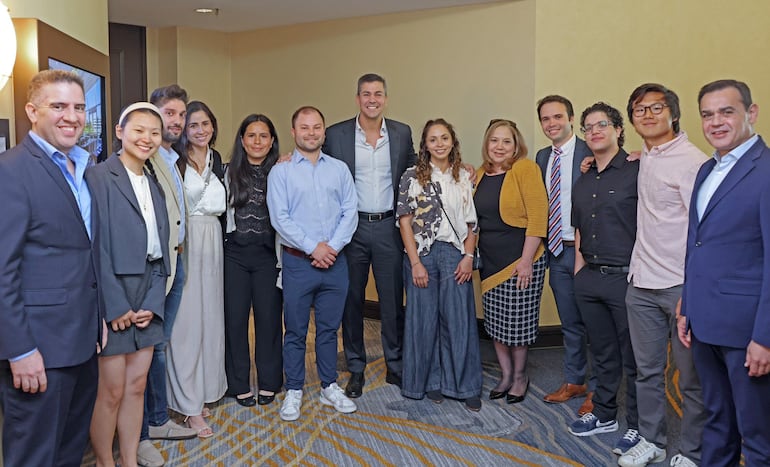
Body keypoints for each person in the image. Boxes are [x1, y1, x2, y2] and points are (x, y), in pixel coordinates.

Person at [0, 69, 103, 466]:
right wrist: (20, 350)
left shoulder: (83, 167)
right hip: (38, 349)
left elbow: (83, 252)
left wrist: (98, 319)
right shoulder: (10, 170)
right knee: (35, 457)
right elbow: (3, 270)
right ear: (32, 111)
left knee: (69, 453)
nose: (71, 117)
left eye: (78, 107)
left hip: (82, 341)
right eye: (58, 106)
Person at [678, 79, 770, 466]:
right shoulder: (706, 169)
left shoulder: (765, 171)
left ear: (751, 113)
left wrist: (765, 337)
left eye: (726, 112)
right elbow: (697, 243)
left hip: (747, 331)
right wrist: (687, 305)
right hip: (704, 323)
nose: (715, 122)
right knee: (717, 421)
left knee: (758, 434)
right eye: (707, 114)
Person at [617, 84, 707, 467]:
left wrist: (694, 290)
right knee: (647, 372)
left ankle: (692, 452)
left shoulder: (694, 163)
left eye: (657, 107)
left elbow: (704, 232)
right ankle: (651, 441)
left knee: (691, 379)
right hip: (641, 284)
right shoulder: (647, 157)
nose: (648, 115)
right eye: (640, 109)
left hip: (681, 287)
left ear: (673, 113)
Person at [86, 102, 170, 467]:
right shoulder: (99, 177)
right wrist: (115, 304)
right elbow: (95, 246)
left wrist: (153, 300)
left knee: (137, 386)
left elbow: (162, 247)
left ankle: (130, 459)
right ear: (120, 132)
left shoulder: (154, 183)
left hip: (147, 289)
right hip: (114, 291)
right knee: (112, 390)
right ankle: (106, 461)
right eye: (138, 130)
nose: (146, 138)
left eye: (154, 132)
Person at [322, 73, 416, 398]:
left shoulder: (402, 133)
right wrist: (289, 158)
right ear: (357, 98)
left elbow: (416, 169)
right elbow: (316, 162)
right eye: (366, 94)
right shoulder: (336, 134)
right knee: (352, 300)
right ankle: (356, 367)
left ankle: (395, 364)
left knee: (392, 300)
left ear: (385, 99)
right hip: (352, 228)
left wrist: (460, 169)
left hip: (389, 226)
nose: (372, 99)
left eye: (377, 94)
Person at [267, 106, 358, 422]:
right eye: (304, 128)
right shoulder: (281, 172)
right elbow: (280, 218)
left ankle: (328, 385)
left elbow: (350, 211)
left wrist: (331, 248)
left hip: (335, 262)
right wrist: (313, 248)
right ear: (293, 132)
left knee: (329, 329)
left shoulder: (339, 169)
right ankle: (294, 389)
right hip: (298, 264)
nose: (311, 133)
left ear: (324, 131)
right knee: (295, 330)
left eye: (316, 127)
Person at [568, 102, 640, 457]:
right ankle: (606, 413)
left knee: (637, 360)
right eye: (589, 127)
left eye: (602, 125)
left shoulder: (638, 169)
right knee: (603, 353)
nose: (595, 131)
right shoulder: (583, 179)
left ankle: (641, 427)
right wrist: (579, 272)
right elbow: (579, 227)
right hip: (590, 278)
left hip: (627, 278)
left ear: (618, 130)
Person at [397, 118, 483, 411]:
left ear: (452, 141)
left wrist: (468, 257)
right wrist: (415, 263)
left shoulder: (464, 175)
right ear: (425, 145)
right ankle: (428, 382)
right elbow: (405, 222)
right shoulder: (411, 176)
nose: (439, 144)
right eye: (433, 139)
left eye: (444, 138)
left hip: (455, 253)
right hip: (422, 254)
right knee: (422, 321)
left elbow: (472, 222)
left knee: (459, 320)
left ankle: (464, 385)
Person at [139, 85, 196, 467]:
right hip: (155, 267)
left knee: (159, 344)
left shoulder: (173, 158)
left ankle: (156, 419)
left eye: (181, 114)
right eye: (169, 113)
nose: (176, 121)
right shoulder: (145, 158)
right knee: (149, 348)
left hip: (178, 260)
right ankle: (150, 424)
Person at [166, 101, 227, 438]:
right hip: (186, 241)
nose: (200, 130)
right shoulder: (174, 161)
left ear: (213, 126)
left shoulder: (218, 160)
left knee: (209, 320)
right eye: (193, 125)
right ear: (183, 130)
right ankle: (188, 405)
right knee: (186, 325)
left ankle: (202, 391)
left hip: (214, 242)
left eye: (205, 124)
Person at [475, 119, 547, 404]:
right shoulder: (480, 173)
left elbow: (538, 217)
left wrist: (526, 260)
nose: (500, 146)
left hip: (520, 260)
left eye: (507, 141)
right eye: (494, 140)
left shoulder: (525, 169)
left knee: (518, 325)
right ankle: (505, 375)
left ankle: (519, 377)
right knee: (495, 322)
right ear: (486, 143)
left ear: (516, 146)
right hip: (490, 262)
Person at [535, 95, 596, 416]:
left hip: (588, 253)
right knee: (570, 323)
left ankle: (599, 390)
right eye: (545, 119)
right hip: (557, 252)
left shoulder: (591, 150)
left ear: (571, 118)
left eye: (557, 116)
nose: (552, 123)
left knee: (596, 325)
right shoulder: (542, 157)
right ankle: (575, 381)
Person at [223, 114, 283, 407]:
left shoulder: (282, 172)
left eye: (263, 136)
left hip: (268, 257)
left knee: (269, 320)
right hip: (234, 255)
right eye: (251, 135)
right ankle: (238, 383)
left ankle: (270, 381)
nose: (257, 141)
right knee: (234, 321)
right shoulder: (226, 171)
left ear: (272, 141)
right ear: (242, 140)